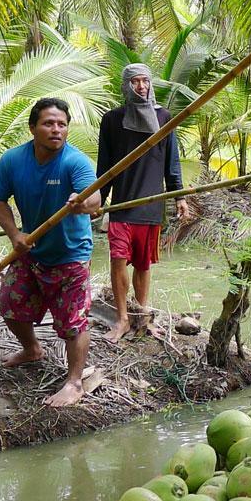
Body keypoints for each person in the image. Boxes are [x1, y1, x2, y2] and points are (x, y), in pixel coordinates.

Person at [0, 97, 101, 407]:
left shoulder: (74, 162)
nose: (56, 130)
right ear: (33, 128)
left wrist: (82, 201)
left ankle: (74, 382)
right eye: (49, 123)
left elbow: (96, 202)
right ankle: (32, 349)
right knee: (10, 302)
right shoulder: (12, 161)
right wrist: (15, 234)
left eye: (62, 124)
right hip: (32, 252)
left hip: (71, 255)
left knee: (73, 323)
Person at [97, 62, 190, 342]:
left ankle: (142, 316)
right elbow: (105, 165)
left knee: (143, 264)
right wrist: (98, 199)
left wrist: (179, 196)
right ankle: (123, 319)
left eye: (145, 81)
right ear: (127, 86)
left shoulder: (164, 118)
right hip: (122, 205)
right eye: (135, 81)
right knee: (117, 260)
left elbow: (171, 163)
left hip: (151, 204)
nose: (141, 86)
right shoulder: (112, 120)